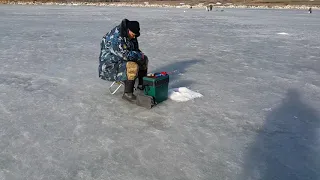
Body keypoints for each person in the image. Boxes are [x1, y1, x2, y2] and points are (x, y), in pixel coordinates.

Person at [98, 19, 148, 103]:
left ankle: (141, 85)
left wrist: (141, 56)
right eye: (133, 35)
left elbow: (135, 50)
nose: (134, 37)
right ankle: (127, 94)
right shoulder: (115, 37)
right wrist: (139, 55)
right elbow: (125, 55)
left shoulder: (130, 34)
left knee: (144, 59)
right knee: (132, 66)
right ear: (128, 30)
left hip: (121, 60)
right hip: (110, 66)